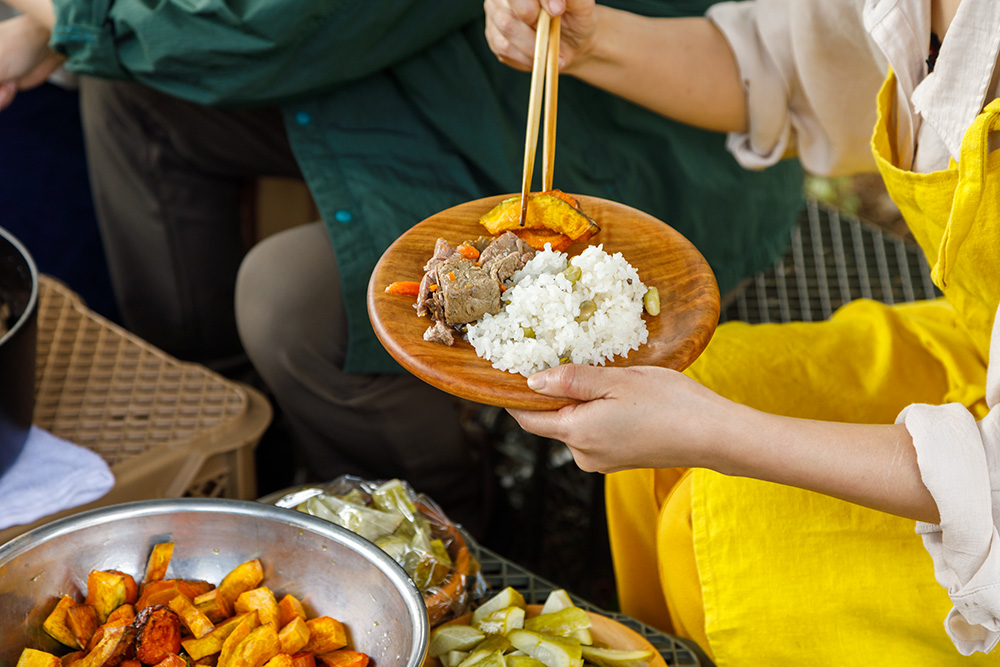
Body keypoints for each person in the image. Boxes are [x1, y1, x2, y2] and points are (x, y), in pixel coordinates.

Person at [0, 0, 805, 532]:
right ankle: (236, 439)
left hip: (636, 138)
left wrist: (66, 15)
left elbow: (278, 28)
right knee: (134, 97)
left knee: (291, 305)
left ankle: (456, 529)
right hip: (437, 60)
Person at [485, 0, 1000, 661]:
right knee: (675, 390)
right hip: (979, 340)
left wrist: (715, 432)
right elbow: (795, 66)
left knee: (717, 532)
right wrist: (593, 43)